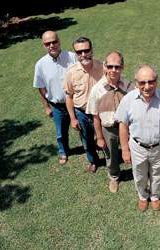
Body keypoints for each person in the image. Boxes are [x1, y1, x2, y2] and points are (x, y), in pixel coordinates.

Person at [114, 65, 160, 212]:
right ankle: (143, 196)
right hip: (137, 147)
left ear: (157, 81)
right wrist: (125, 149)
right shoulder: (128, 100)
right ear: (136, 83)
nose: (147, 86)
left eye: (151, 81)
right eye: (142, 82)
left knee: (158, 173)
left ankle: (155, 196)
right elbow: (123, 126)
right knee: (139, 174)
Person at [86, 51, 133, 192]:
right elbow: (95, 117)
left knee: (134, 150)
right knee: (111, 155)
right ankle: (114, 176)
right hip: (109, 128)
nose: (113, 70)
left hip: (128, 126)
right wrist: (99, 137)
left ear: (122, 67)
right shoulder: (97, 90)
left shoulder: (128, 86)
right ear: (105, 66)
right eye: (110, 66)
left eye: (117, 67)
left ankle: (138, 174)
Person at [33, 30, 76, 165]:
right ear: (44, 45)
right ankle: (63, 151)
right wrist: (46, 107)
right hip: (57, 105)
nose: (51, 45)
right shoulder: (40, 64)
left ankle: (90, 152)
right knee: (60, 133)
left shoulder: (72, 57)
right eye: (47, 43)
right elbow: (40, 87)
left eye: (54, 42)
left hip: (76, 103)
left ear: (59, 41)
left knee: (84, 129)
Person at [63, 36, 103, 173]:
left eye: (86, 50)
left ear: (92, 50)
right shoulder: (71, 73)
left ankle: (110, 160)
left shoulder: (103, 68)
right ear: (75, 53)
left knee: (105, 137)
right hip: (82, 112)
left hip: (101, 111)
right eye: (79, 52)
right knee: (87, 139)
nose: (83, 55)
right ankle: (93, 160)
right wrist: (73, 119)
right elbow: (69, 96)